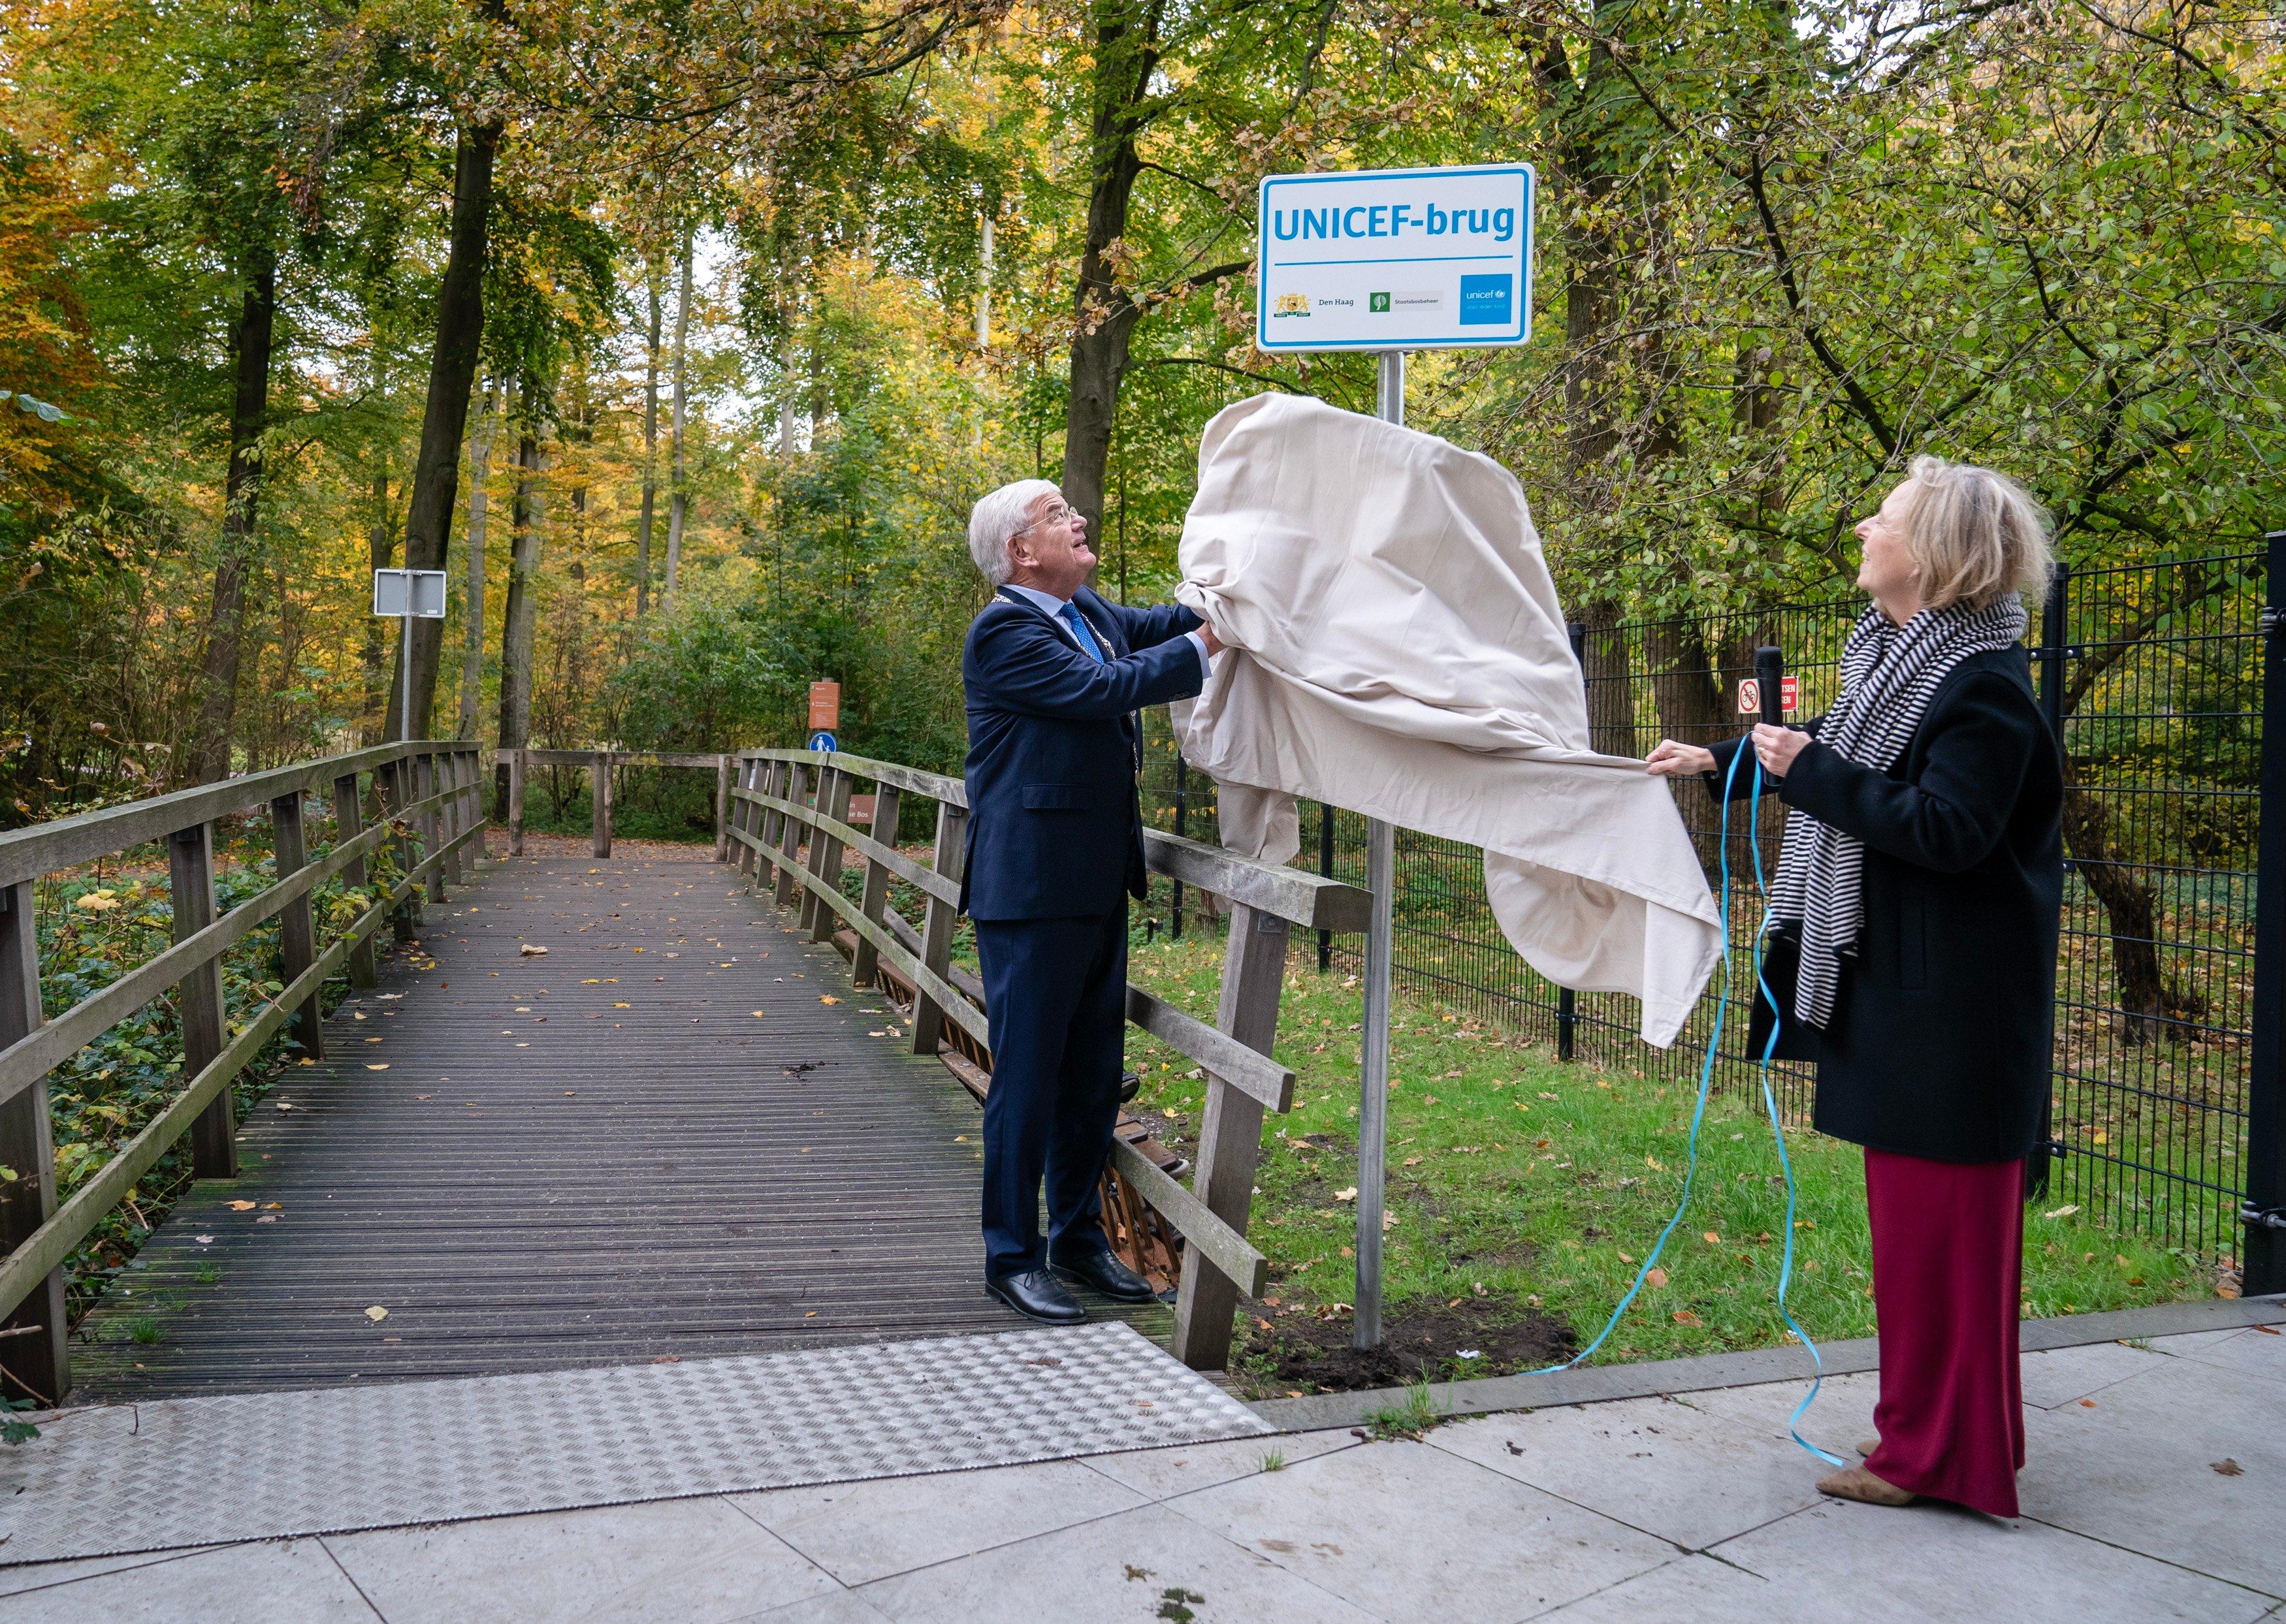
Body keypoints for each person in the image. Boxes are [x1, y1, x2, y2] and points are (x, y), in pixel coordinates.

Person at [1647, 454, 2061, 1518]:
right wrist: (1720, 761)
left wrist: (1806, 772)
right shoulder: (1901, 662)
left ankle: (1937, 1460)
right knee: (1924, 1253)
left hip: (1954, 1017)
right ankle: (1947, 1443)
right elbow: (1839, 757)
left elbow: (1947, 828)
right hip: (1906, 1000)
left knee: (1946, 1257)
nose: (1865, 528)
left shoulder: (1982, 688)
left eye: (1884, 519)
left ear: (1931, 556)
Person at [959, 479, 1224, 1324]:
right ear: (1020, 552)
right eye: (1056, 515)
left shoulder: (1091, 612)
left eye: (1074, 508)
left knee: (1091, 1081)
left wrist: (1232, 594)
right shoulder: (1005, 632)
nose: (1079, 520)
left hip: (1096, 885)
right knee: (1030, 1083)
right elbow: (1103, 689)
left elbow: (1157, 627)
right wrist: (1212, 645)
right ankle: (1011, 1256)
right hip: (1031, 893)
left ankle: (1077, 1239)